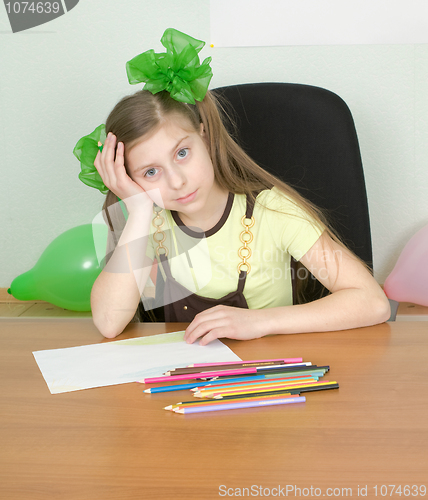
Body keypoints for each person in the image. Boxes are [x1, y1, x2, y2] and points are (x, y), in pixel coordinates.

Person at [74, 29, 390, 345]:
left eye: (182, 153)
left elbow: (372, 303)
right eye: (151, 172)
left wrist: (260, 321)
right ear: (129, 179)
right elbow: (108, 323)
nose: (177, 180)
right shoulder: (142, 221)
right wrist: (139, 211)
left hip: (269, 375)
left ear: (205, 136)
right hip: (185, 383)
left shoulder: (273, 210)